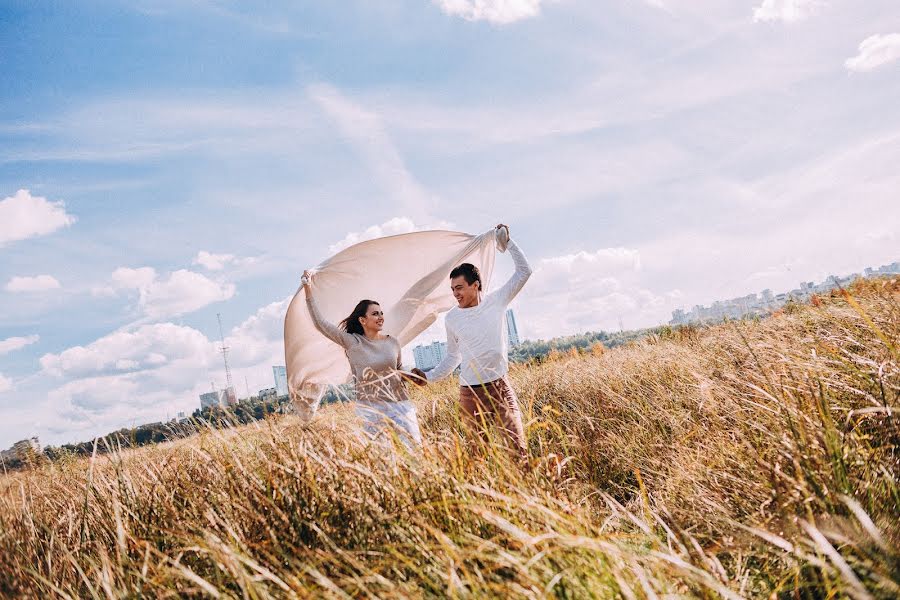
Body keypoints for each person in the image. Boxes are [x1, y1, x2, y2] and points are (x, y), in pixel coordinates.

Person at [412, 224, 532, 461]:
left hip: (500, 389)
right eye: (452, 289)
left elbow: (524, 271)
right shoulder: (452, 318)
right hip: (470, 395)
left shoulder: (496, 301)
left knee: (518, 450)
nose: (455, 294)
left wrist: (507, 243)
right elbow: (452, 357)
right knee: (478, 457)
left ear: (475, 284)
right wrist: (428, 377)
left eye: (459, 288)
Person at [302, 270, 423, 448]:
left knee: (414, 451)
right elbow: (320, 323)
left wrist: (412, 376)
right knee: (382, 458)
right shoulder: (352, 343)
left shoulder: (392, 342)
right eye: (375, 314)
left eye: (381, 313)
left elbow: (398, 369)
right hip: (372, 409)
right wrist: (308, 289)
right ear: (362, 320)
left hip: (400, 404)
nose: (380, 317)